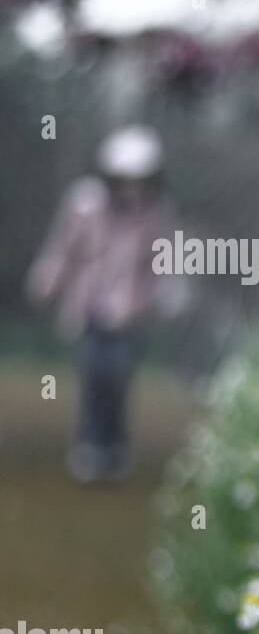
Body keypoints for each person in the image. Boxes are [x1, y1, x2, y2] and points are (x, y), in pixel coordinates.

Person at [26, 125, 184, 482]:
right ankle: (89, 447)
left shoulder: (157, 214)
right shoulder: (85, 205)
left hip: (131, 314)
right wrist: (46, 282)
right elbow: (63, 249)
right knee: (93, 376)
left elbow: (164, 265)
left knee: (117, 379)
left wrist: (166, 297)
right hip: (89, 309)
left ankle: (114, 448)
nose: (131, 185)